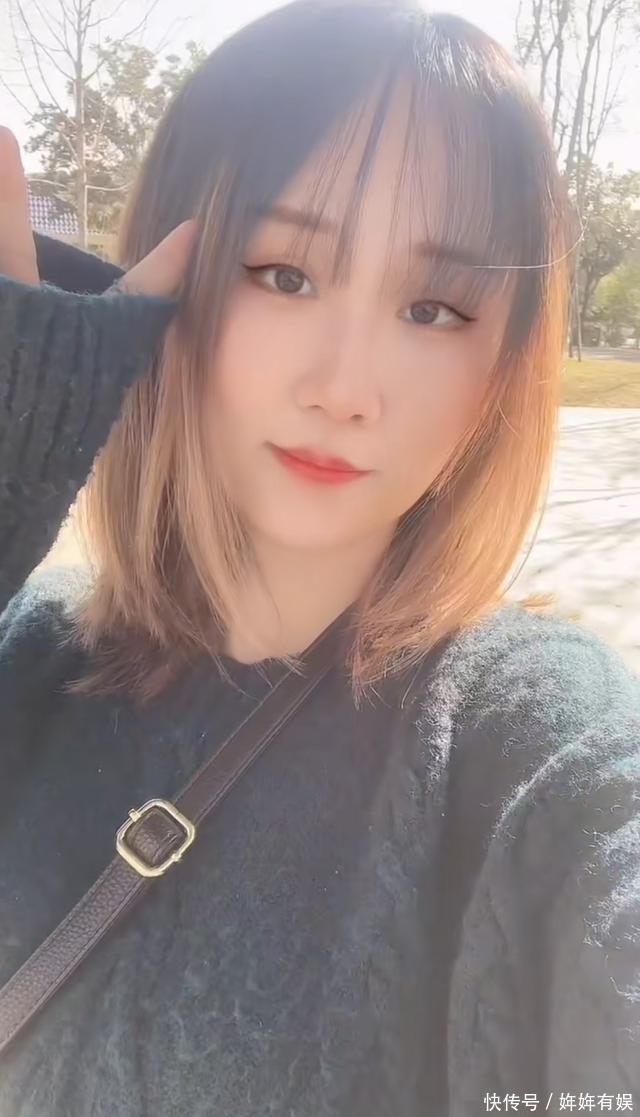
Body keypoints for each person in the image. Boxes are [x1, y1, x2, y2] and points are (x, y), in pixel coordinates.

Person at [0, 2, 638, 1114]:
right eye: (286, 274)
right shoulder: (27, 656)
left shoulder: (527, 742)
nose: (346, 389)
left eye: (433, 308)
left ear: (501, 364)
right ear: (161, 286)